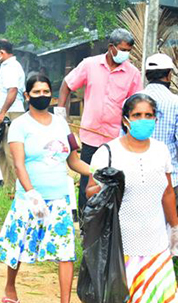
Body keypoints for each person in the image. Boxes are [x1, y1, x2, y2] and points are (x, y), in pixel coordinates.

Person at [0, 74, 91, 303]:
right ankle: (10, 286)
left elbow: (73, 160)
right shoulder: (20, 125)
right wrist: (31, 193)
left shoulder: (61, 124)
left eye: (46, 91)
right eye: (36, 92)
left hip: (59, 198)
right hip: (30, 197)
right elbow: (19, 165)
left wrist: (97, 173)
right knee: (19, 246)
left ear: (52, 94)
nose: (42, 96)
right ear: (27, 96)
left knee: (65, 252)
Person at [84, 94, 178, 303]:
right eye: (137, 115)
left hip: (156, 251)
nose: (143, 120)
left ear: (156, 119)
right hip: (118, 251)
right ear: (126, 120)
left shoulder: (161, 151)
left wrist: (175, 229)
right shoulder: (108, 153)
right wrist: (110, 185)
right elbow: (90, 192)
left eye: (148, 116)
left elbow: (167, 192)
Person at [57, 28, 141, 217]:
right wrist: (61, 114)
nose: (125, 54)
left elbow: (136, 104)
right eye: (122, 49)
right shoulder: (89, 65)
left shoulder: (133, 73)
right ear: (111, 47)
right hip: (90, 137)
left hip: (116, 139)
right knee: (88, 178)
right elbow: (66, 85)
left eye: (128, 51)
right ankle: (85, 223)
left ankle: (110, 222)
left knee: (113, 181)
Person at [140, 53, 178, 198]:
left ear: (147, 75)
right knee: (170, 220)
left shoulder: (131, 101)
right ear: (169, 75)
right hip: (170, 179)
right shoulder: (175, 103)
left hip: (137, 178)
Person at [0, 38, 26, 189]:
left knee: (11, 151)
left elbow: (13, 90)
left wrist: (2, 113)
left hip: (9, 114)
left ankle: (19, 186)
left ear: (1, 52)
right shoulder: (7, 66)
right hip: (5, 113)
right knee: (1, 151)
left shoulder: (11, 67)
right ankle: (9, 187)